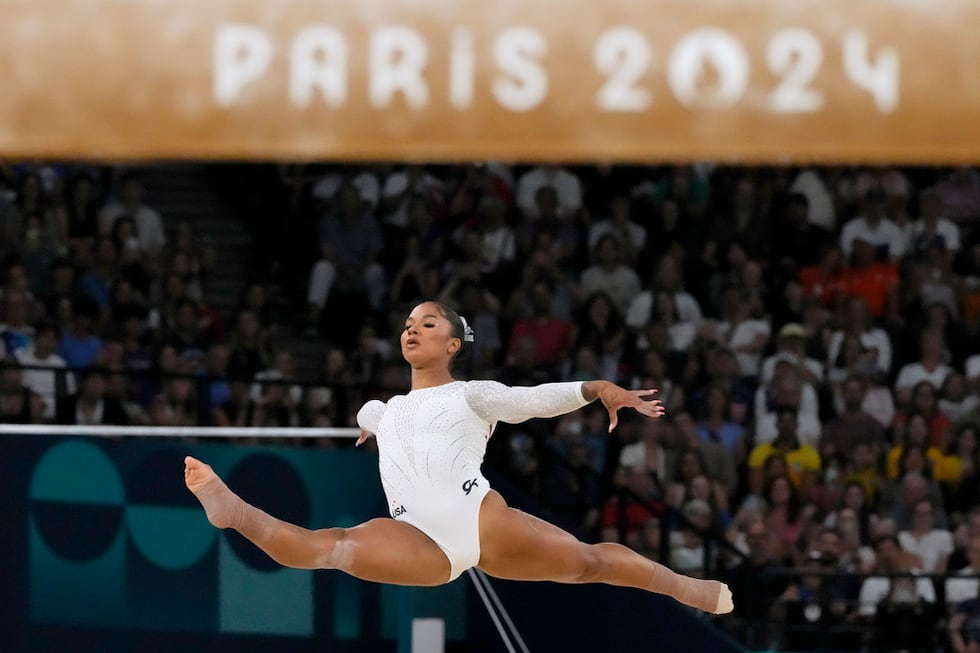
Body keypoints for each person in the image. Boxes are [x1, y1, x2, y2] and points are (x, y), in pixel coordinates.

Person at [184, 301, 733, 614]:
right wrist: (370, 425)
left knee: (589, 564)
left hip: (481, 519)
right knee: (327, 549)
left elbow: (531, 402)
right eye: (407, 324)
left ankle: (689, 589)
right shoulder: (386, 408)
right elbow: (369, 413)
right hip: (418, 540)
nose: (412, 329)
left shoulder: (472, 394)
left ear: (453, 344)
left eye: (427, 323)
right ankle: (232, 510)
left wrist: (596, 388)